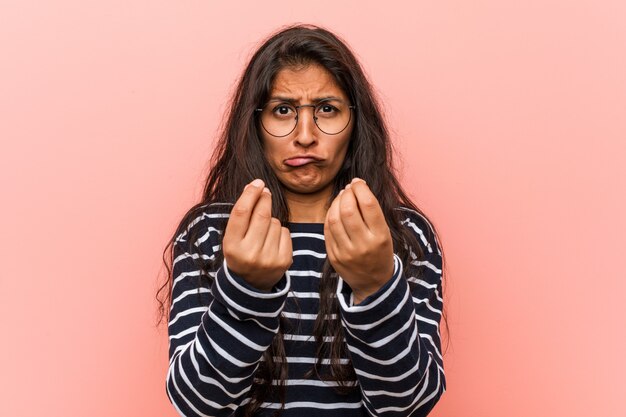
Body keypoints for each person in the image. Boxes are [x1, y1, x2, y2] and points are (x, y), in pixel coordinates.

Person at [157, 24, 446, 417]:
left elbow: (408, 406)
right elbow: (197, 403)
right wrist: (245, 289)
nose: (305, 135)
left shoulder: (404, 237)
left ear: (356, 121)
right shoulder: (210, 232)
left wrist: (375, 287)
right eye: (282, 110)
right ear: (255, 123)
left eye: (327, 109)